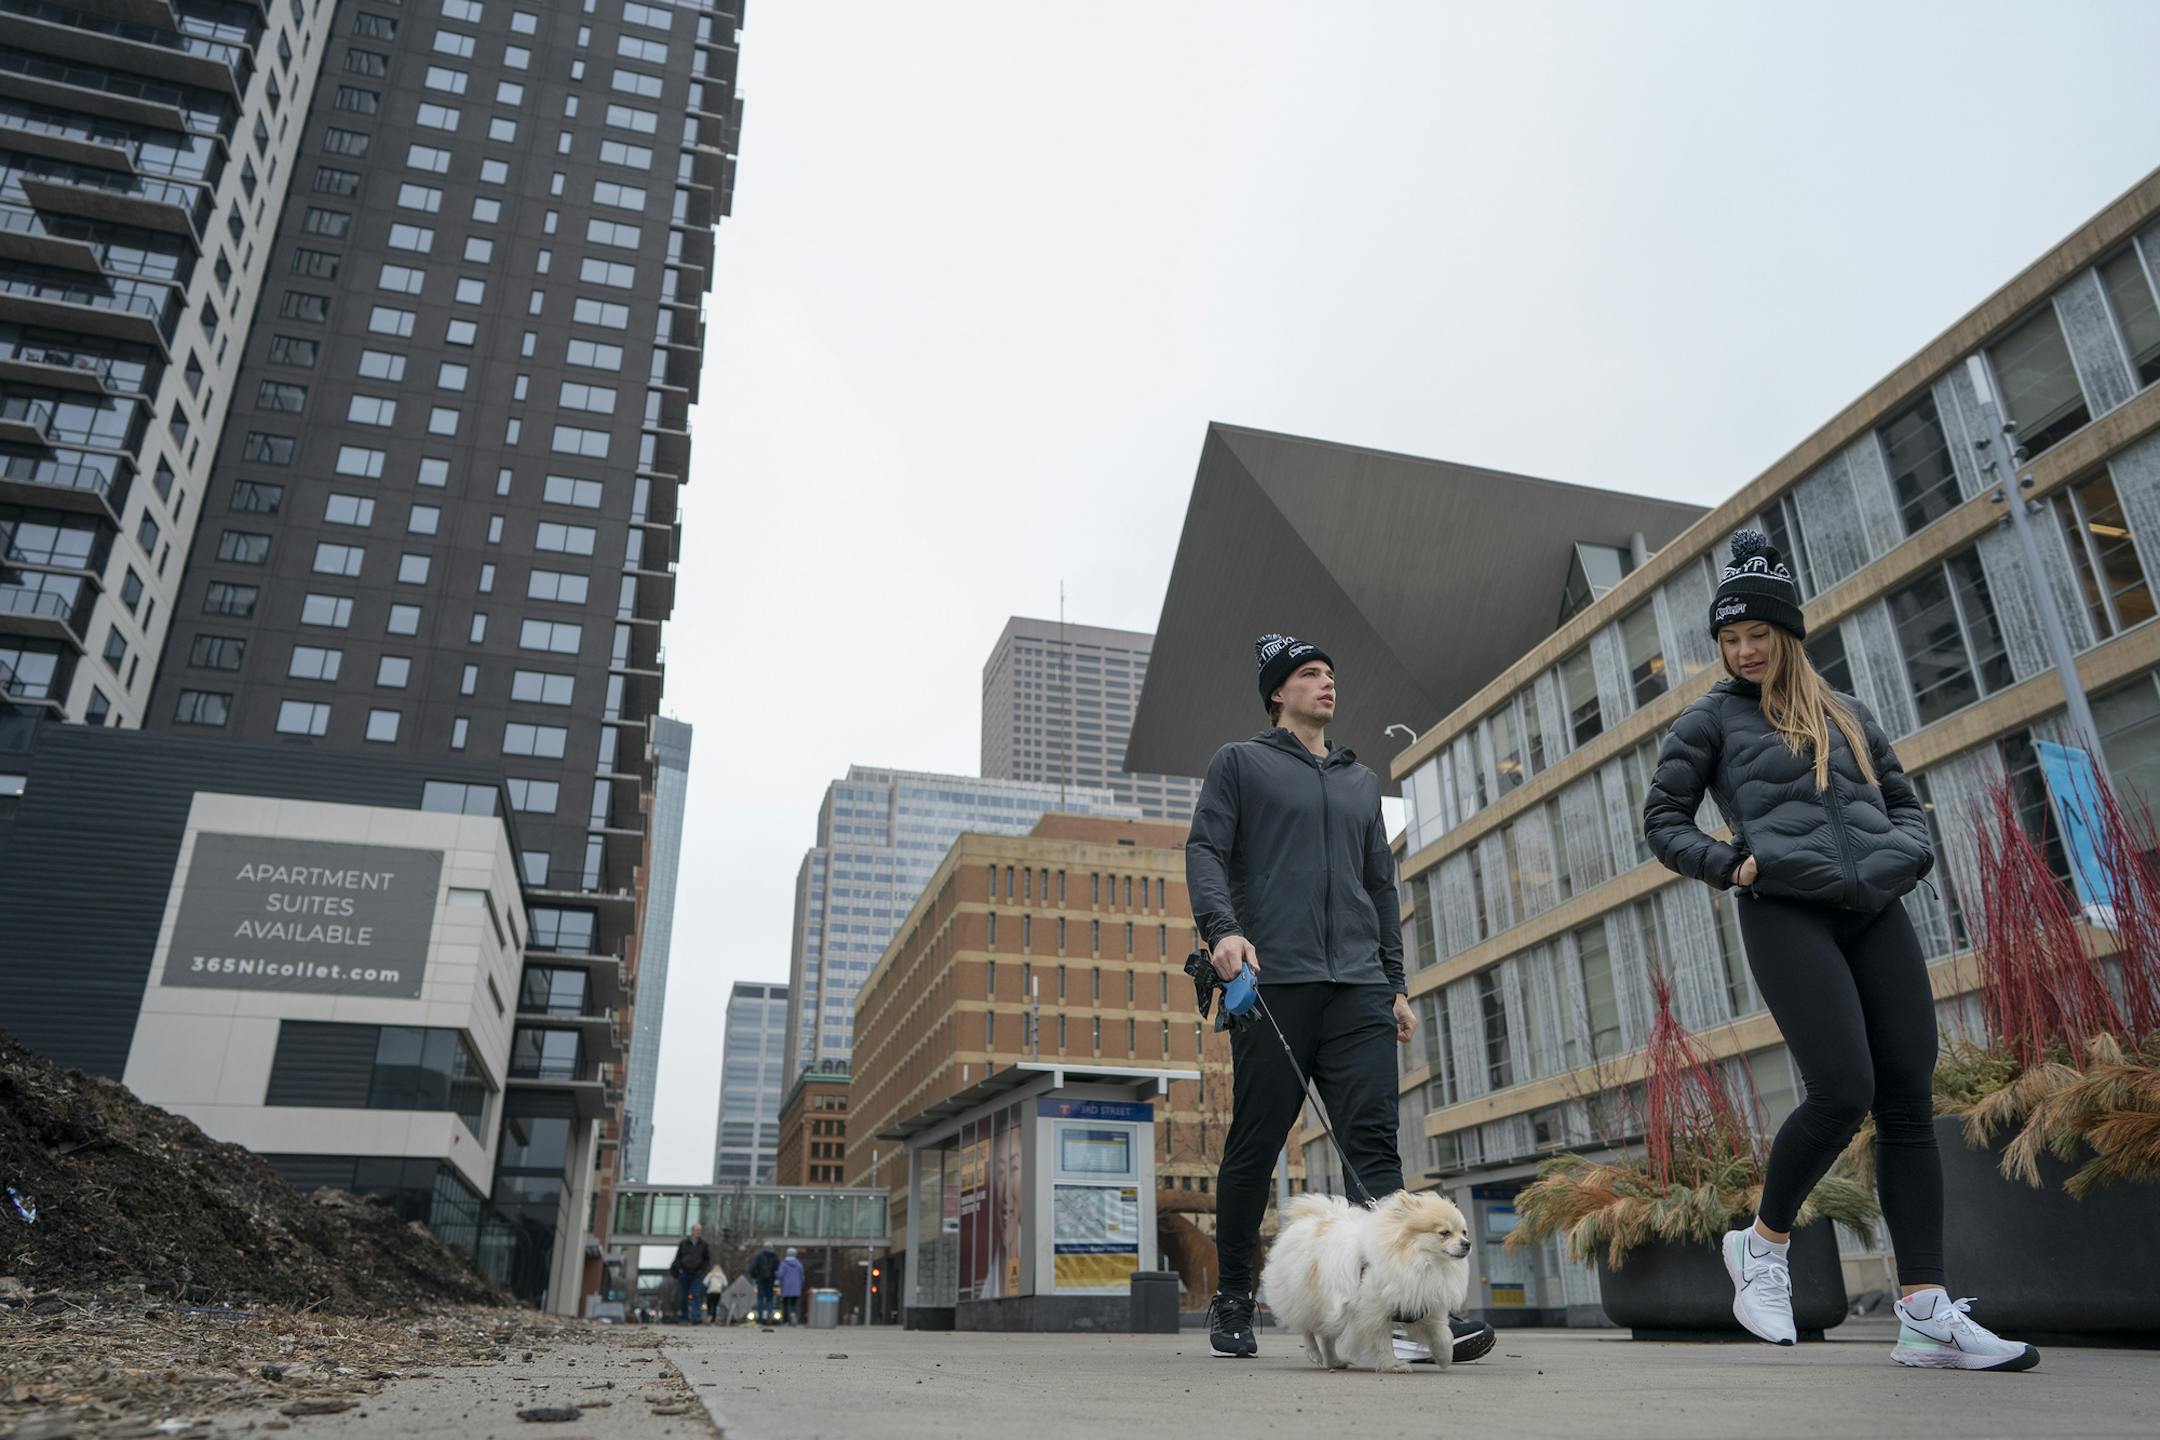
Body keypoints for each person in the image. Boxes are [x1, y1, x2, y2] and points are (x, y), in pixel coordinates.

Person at [1644, 529, 2039, 1372]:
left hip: (1873, 911)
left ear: (1789, 634)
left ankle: (1926, 1310)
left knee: (1906, 1098)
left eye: (1757, 635)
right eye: (1729, 639)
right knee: (1843, 1087)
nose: (1745, 651)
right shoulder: (1710, 718)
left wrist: (1905, 857)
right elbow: (1662, 821)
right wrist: (1730, 863)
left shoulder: (1849, 712)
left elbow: (1904, 804)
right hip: (1784, 907)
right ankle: (1762, 1244)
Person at [1187, 633, 1495, 1367]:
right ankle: (1234, 1294)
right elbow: (1205, 851)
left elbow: (1379, 886)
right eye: (1308, 674)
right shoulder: (1241, 763)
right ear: (1277, 693)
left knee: (1374, 1152)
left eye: (1330, 673)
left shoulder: (1361, 782)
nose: (1326, 684)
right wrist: (1224, 932)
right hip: (1275, 980)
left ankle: (1404, 1312)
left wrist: (1393, 981)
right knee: (1256, 1144)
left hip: (1358, 984)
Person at [669, 1224, 711, 1327]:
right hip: (684, 1273)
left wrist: (702, 1270)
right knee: (683, 1296)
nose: (698, 1232)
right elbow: (678, 1258)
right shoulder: (684, 1243)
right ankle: (684, 1317)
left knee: (695, 1294)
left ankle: (696, 1317)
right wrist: (678, 1270)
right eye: (697, 1230)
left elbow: (707, 1259)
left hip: (697, 1274)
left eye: (700, 1230)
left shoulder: (703, 1245)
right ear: (692, 1231)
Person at [748, 1241, 780, 1325]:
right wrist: (775, 1278)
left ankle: (760, 1319)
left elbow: (751, 1268)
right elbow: (778, 1269)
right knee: (770, 1299)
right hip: (771, 1280)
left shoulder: (759, 1255)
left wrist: (755, 1276)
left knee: (760, 1299)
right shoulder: (775, 1256)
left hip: (760, 1280)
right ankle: (769, 1316)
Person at [777, 1247, 806, 1325]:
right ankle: (792, 1314)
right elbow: (802, 1277)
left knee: (785, 1304)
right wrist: (801, 1285)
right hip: (796, 1288)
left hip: (786, 1287)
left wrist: (775, 1274)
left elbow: (780, 1274)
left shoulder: (784, 1264)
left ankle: (785, 1321)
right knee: (793, 1303)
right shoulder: (799, 1264)